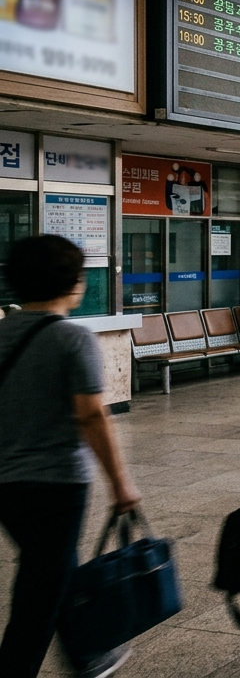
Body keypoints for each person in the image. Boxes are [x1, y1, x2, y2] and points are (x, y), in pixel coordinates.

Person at [0, 235, 142, 678]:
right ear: (72, 282)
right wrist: (120, 483)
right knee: (39, 596)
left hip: (6, 484)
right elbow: (92, 416)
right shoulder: (72, 338)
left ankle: (86, 652)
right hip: (55, 484)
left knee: (52, 569)